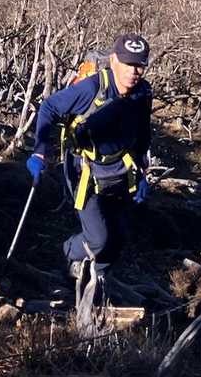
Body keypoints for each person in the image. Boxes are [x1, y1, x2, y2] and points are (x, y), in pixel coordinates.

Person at [27, 34, 153, 292]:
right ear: (114, 60)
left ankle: (96, 277)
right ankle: (68, 254)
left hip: (119, 172)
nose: (133, 72)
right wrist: (39, 152)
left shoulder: (142, 93)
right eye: (128, 64)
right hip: (83, 171)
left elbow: (142, 132)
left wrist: (141, 172)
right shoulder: (92, 88)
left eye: (139, 65)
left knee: (119, 236)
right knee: (98, 239)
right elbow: (49, 108)